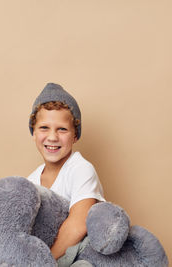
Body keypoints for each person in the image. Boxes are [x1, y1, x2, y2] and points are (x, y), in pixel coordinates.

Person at [28, 83, 105, 260]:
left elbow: (78, 225)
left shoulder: (80, 169)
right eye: (44, 128)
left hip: (83, 257)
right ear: (33, 133)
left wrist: (44, 261)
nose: (53, 137)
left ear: (75, 135)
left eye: (62, 129)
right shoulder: (31, 181)